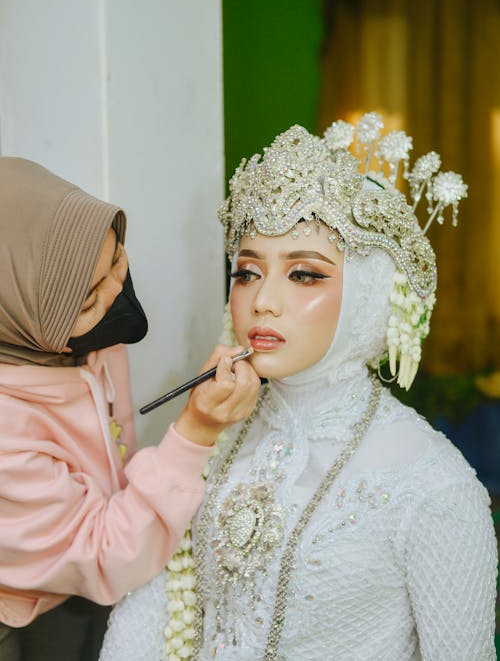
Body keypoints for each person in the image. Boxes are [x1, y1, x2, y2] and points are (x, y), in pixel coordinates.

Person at [99, 116, 498, 660]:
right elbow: (147, 617)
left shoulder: (433, 486)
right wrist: (193, 435)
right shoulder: (213, 437)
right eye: (246, 272)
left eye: (304, 274)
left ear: (368, 293)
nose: (263, 300)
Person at [0, 157, 260, 660]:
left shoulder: (94, 342)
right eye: (87, 299)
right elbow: (101, 553)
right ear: (16, 313)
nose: (117, 290)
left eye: (117, 258)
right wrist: (194, 433)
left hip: (78, 583)